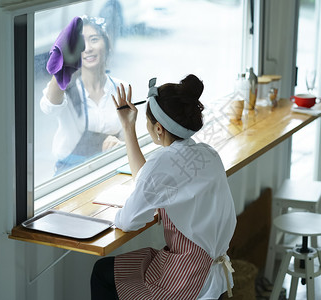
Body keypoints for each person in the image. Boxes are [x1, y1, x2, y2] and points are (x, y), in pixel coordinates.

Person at [90, 75, 237, 300]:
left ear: (159, 129)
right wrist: (128, 127)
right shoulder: (208, 153)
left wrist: (120, 211)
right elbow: (149, 181)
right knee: (130, 266)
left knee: (102, 272)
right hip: (213, 273)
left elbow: (128, 221)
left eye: (148, 124)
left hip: (186, 277)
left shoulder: (163, 162)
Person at [40, 15, 126, 174]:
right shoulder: (68, 89)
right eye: (81, 43)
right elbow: (49, 106)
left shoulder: (122, 88)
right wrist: (61, 63)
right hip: (71, 175)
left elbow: (128, 135)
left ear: (107, 45)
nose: (87, 48)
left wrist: (118, 144)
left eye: (94, 39)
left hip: (109, 170)